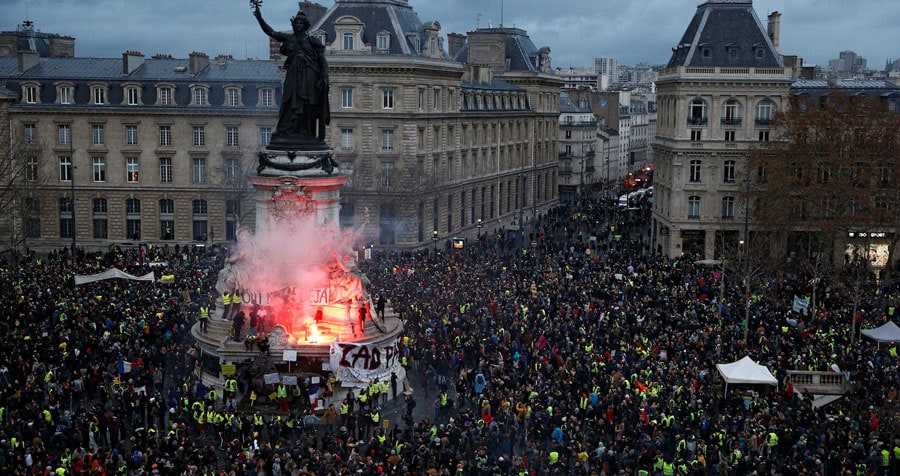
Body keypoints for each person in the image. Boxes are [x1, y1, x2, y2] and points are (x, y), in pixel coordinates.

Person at [252, 2, 330, 143]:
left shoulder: (312, 41)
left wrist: (325, 76)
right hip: (293, 74)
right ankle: (286, 129)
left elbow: (322, 60)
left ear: (305, 25)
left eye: (301, 23)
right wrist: (259, 18)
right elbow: (271, 32)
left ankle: (308, 132)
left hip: (309, 75)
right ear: (294, 25)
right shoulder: (290, 38)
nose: (298, 25)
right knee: (288, 100)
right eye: (296, 22)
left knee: (307, 103)